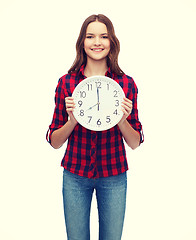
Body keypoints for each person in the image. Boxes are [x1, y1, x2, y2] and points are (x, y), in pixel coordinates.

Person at [46, 14, 144, 240]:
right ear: (82, 42)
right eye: (90, 36)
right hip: (75, 175)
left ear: (112, 42)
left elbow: (135, 142)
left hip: (114, 175)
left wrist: (122, 119)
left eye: (104, 36)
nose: (97, 42)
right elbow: (54, 141)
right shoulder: (67, 83)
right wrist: (72, 120)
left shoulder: (126, 84)